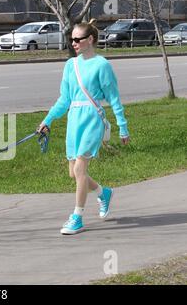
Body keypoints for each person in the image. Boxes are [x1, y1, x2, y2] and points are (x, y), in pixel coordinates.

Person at [37, 19, 130, 235]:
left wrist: (122, 127)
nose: (74, 43)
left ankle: (77, 216)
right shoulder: (71, 65)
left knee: (80, 169)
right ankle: (103, 193)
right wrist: (47, 120)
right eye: (72, 40)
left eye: (78, 39)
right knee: (74, 173)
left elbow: (114, 99)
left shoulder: (102, 65)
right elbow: (64, 99)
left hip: (92, 119)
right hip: (74, 119)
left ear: (90, 40)